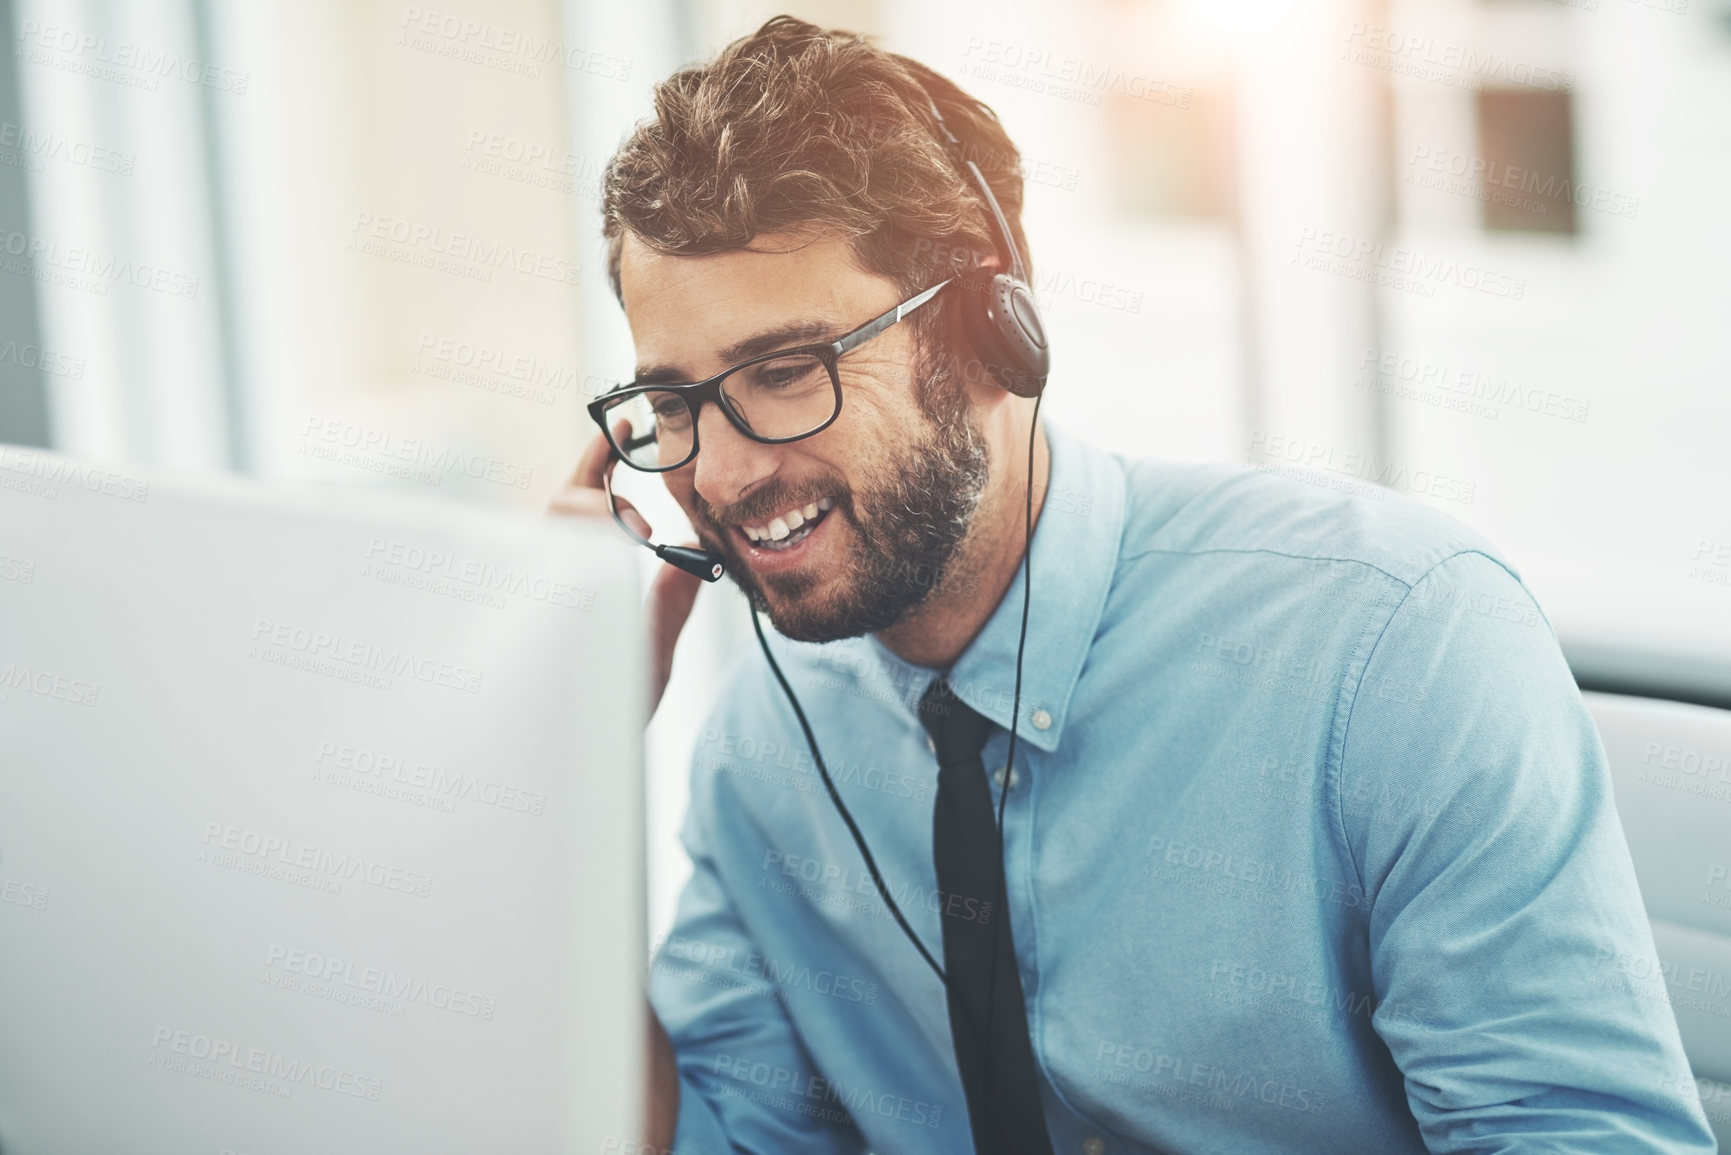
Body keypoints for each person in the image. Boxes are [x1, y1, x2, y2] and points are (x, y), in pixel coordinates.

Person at [549, 16, 1716, 1154]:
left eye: (787, 370)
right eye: (672, 403)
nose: (727, 468)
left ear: (982, 330)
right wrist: (555, 774)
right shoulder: (765, 742)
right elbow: (708, 1138)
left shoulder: (1395, 640)